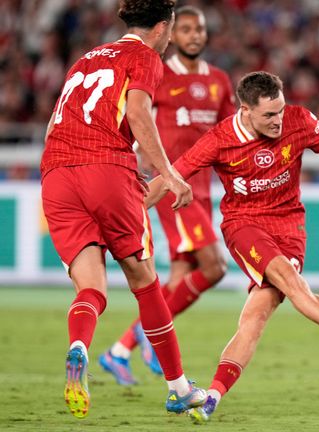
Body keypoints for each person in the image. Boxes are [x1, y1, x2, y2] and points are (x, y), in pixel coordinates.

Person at [143, 71, 319, 424]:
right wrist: (132, 212)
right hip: (244, 224)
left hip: (290, 225)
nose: (278, 121)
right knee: (291, 283)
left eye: (280, 111)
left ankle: (212, 396)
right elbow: (170, 177)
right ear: (245, 110)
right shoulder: (219, 139)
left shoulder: (299, 119)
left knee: (255, 318)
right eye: (268, 116)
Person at [39, 0, 207, 419]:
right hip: (106, 169)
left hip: (55, 173)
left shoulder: (86, 59)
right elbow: (136, 113)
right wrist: (167, 174)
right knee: (144, 279)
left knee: (91, 289)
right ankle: (179, 388)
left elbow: (51, 125)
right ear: (162, 28)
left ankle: (79, 345)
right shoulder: (145, 56)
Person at [99, 5, 235, 386]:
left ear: (206, 34)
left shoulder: (221, 81)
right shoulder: (157, 71)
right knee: (214, 267)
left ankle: (120, 350)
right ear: (172, 33)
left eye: (200, 29)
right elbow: (135, 116)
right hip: (173, 185)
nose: (193, 35)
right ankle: (147, 336)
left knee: (180, 277)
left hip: (203, 188)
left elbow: (226, 133)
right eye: (186, 28)